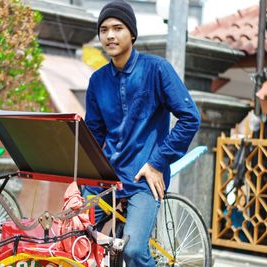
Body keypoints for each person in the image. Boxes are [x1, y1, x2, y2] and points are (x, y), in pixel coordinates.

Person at [83, 0, 201, 266]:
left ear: (132, 33)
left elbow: (190, 118)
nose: (110, 35)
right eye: (104, 30)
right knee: (73, 236)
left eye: (118, 28)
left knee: (133, 250)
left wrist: (157, 163)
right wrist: (79, 176)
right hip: (106, 179)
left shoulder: (157, 69)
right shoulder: (97, 81)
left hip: (143, 180)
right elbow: (93, 134)